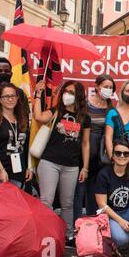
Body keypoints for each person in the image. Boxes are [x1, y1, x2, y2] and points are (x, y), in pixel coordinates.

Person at [34, 80, 91, 246]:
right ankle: (45, 234)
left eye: (72, 92)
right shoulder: (56, 111)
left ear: (79, 96)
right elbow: (38, 117)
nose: (67, 95)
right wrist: (38, 94)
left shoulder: (84, 118)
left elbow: (85, 143)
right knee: (46, 201)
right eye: (66, 91)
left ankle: (68, 236)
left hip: (72, 165)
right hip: (49, 162)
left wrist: (85, 167)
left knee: (68, 204)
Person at [73, 75, 116, 222]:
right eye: (106, 86)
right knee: (79, 190)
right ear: (97, 86)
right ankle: (76, 225)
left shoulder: (111, 107)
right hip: (82, 150)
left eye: (111, 88)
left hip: (100, 155)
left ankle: (92, 226)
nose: (108, 90)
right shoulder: (85, 104)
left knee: (94, 191)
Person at [0, 83, 33, 188]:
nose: (10, 99)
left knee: (12, 204)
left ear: (17, 98)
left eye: (13, 96)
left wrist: (28, 167)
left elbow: (26, 145)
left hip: (17, 172)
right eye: (6, 96)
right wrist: (1, 170)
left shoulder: (22, 118)